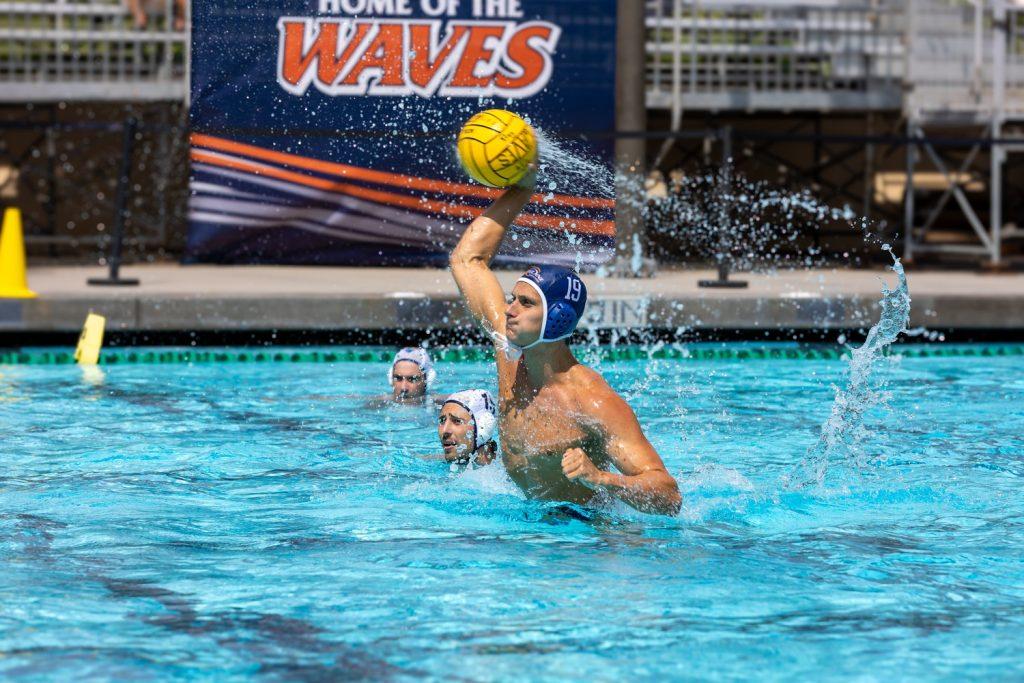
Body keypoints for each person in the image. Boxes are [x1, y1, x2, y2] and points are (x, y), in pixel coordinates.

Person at [448, 174, 681, 516]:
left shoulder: (592, 402)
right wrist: (521, 189)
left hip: (584, 535)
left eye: (526, 303)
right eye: (512, 299)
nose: (509, 310)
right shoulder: (509, 347)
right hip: (530, 523)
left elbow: (670, 496)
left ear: (558, 317)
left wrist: (601, 478)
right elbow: (467, 259)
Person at [437, 389, 498, 466]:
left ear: (483, 427)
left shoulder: (511, 472)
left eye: (456, 421)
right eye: (442, 421)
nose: (444, 431)